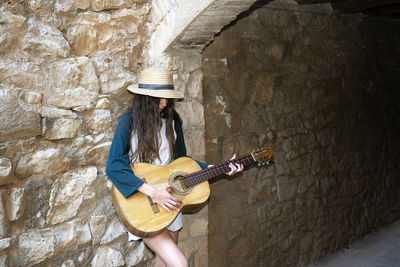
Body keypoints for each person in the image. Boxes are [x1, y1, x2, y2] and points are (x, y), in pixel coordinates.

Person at [106, 67, 243, 267]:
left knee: (163, 263)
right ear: (145, 98)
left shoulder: (172, 122)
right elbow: (114, 165)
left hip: (170, 200)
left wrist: (218, 167)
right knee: (179, 263)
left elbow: (182, 162)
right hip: (142, 200)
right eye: (159, 98)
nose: (165, 102)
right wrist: (153, 192)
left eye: (167, 98)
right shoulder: (128, 122)